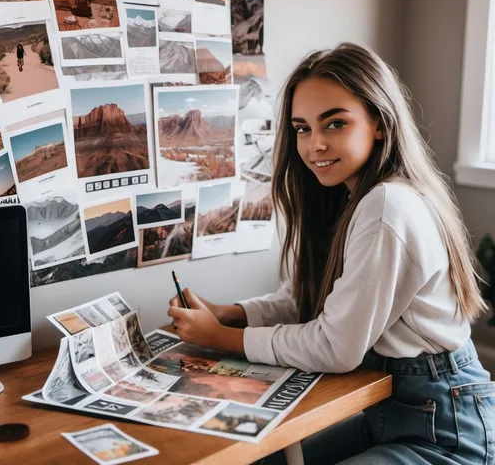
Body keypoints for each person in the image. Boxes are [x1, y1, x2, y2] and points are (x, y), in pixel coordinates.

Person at [168, 42, 495, 464]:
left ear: (378, 121)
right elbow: (302, 299)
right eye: (302, 128)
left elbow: (335, 347)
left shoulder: (387, 206)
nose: (314, 145)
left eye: (335, 124)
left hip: (446, 430)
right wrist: (229, 312)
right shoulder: (349, 196)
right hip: (391, 411)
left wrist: (221, 339)